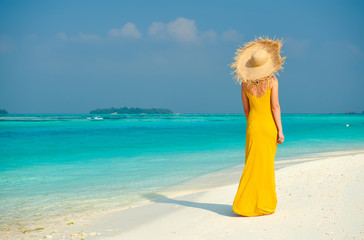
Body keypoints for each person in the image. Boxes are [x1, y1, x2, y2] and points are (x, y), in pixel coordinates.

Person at [230, 36, 286, 217]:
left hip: (253, 127)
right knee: (266, 166)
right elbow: (275, 107)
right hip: (268, 127)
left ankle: (244, 205)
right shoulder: (272, 81)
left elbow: (246, 110)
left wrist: (253, 124)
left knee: (251, 165)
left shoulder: (245, 84)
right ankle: (265, 204)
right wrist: (280, 130)